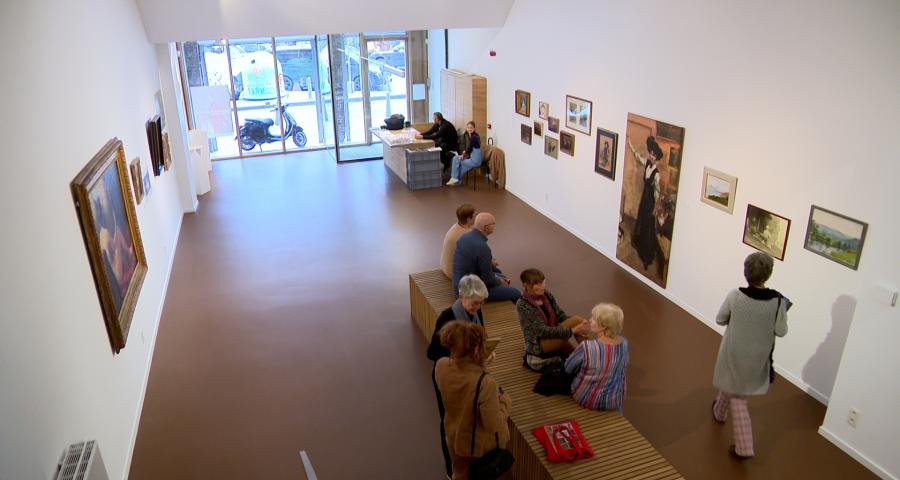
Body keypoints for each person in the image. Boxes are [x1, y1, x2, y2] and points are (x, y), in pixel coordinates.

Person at [711, 252, 789, 459]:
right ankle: (719, 411)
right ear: (768, 274)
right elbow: (781, 331)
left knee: (738, 396)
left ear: (746, 272)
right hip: (757, 358)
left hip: (734, 353)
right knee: (736, 384)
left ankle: (744, 448)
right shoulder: (778, 301)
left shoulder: (735, 296)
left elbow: (720, 319)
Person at [426, 274, 488, 478]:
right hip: (448, 379)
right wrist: (465, 355)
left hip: (467, 375)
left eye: (480, 303)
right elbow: (432, 353)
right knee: (449, 422)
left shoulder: (476, 313)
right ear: (461, 296)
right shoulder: (447, 318)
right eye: (474, 303)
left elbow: (481, 337)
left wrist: (485, 351)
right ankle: (451, 470)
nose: (477, 307)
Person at [435, 320, 511, 480]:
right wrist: (504, 401)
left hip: (454, 436)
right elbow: (493, 424)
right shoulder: (485, 382)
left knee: (460, 474)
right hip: (480, 448)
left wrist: (478, 363)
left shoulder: (441, 366)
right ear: (477, 349)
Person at [516, 268, 591, 371]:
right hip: (540, 345)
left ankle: (591, 359)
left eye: (543, 282)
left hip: (554, 336)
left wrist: (577, 326)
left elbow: (560, 315)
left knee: (578, 360)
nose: (542, 286)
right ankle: (595, 355)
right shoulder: (523, 305)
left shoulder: (547, 295)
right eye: (537, 284)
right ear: (526, 285)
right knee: (577, 320)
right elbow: (542, 331)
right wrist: (573, 330)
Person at [565, 303, 629, 412]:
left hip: (586, 398)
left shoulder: (587, 347)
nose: (590, 320)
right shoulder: (624, 343)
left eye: (594, 319)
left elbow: (568, 368)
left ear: (604, 326)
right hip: (614, 400)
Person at [452, 213, 521, 303]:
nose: (495, 226)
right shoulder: (483, 248)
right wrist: (499, 282)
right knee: (516, 293)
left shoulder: (464, 237)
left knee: (500, 274)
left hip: (459, 283)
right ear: (486, 228)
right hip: (469, 292)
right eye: (494, 223)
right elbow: (487, 280)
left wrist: (498, 278)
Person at [628, 136, 663, 270]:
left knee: (648, 227)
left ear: (657, 157)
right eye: (651, 154)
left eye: (654, 156)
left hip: (650, 202)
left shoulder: (657, 173)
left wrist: (655, 207)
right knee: (641, 222)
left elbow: (657, 192)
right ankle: (640, 246)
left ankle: (646, 258)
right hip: (644, 198)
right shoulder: (647, 164)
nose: (652, 157)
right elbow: (638, 156)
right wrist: (631, 145)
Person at [440, 204, 476, 278]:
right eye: (475, 215)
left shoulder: (456, 226)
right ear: (469, 219)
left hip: (445, 266)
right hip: (453, 273)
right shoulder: (467, 235)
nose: (477, 217)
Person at [446, 122, 482, 186]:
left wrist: (463, 154)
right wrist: (465, 153)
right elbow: (470, 149)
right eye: (468, 127)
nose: (469, 129)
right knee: (461, 167)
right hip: (476, 160)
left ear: (474, 128)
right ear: (467, 128)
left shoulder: (474, 137)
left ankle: (454, 178)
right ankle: (457, 182)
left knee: (456, 158)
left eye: (471, 127)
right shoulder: (476, 135)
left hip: (474, 161)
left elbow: (469, 149)